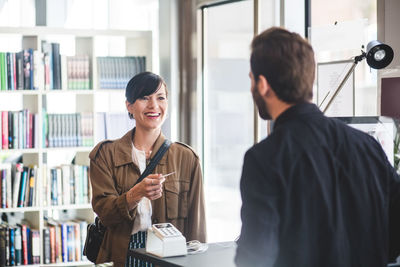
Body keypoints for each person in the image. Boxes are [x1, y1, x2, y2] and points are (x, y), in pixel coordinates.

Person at [235, 27, 400, 267]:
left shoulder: (265, 158)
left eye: (251, 79)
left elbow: (255, 258)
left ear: (262, 84)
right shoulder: (368, 146)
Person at [89, 71, 206, 267]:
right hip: (121, 254)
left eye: (160, 98)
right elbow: (105, 214)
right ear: (129, 106)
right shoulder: (105, 154)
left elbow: (197, 227)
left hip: (171, 257)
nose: (154, 105)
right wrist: (133, 195)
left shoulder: (187, 158)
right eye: (144, 98)